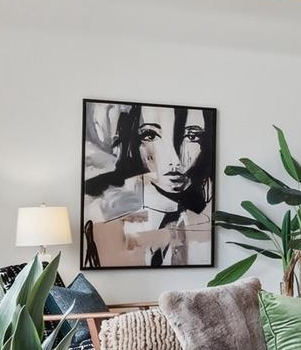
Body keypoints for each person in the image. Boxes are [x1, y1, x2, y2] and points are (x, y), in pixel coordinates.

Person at [80, 103, 213, 268]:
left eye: (192, 137)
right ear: (132, 141)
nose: (175, 160)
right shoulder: (104, 214)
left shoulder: (209, 218)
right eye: (150, 135)